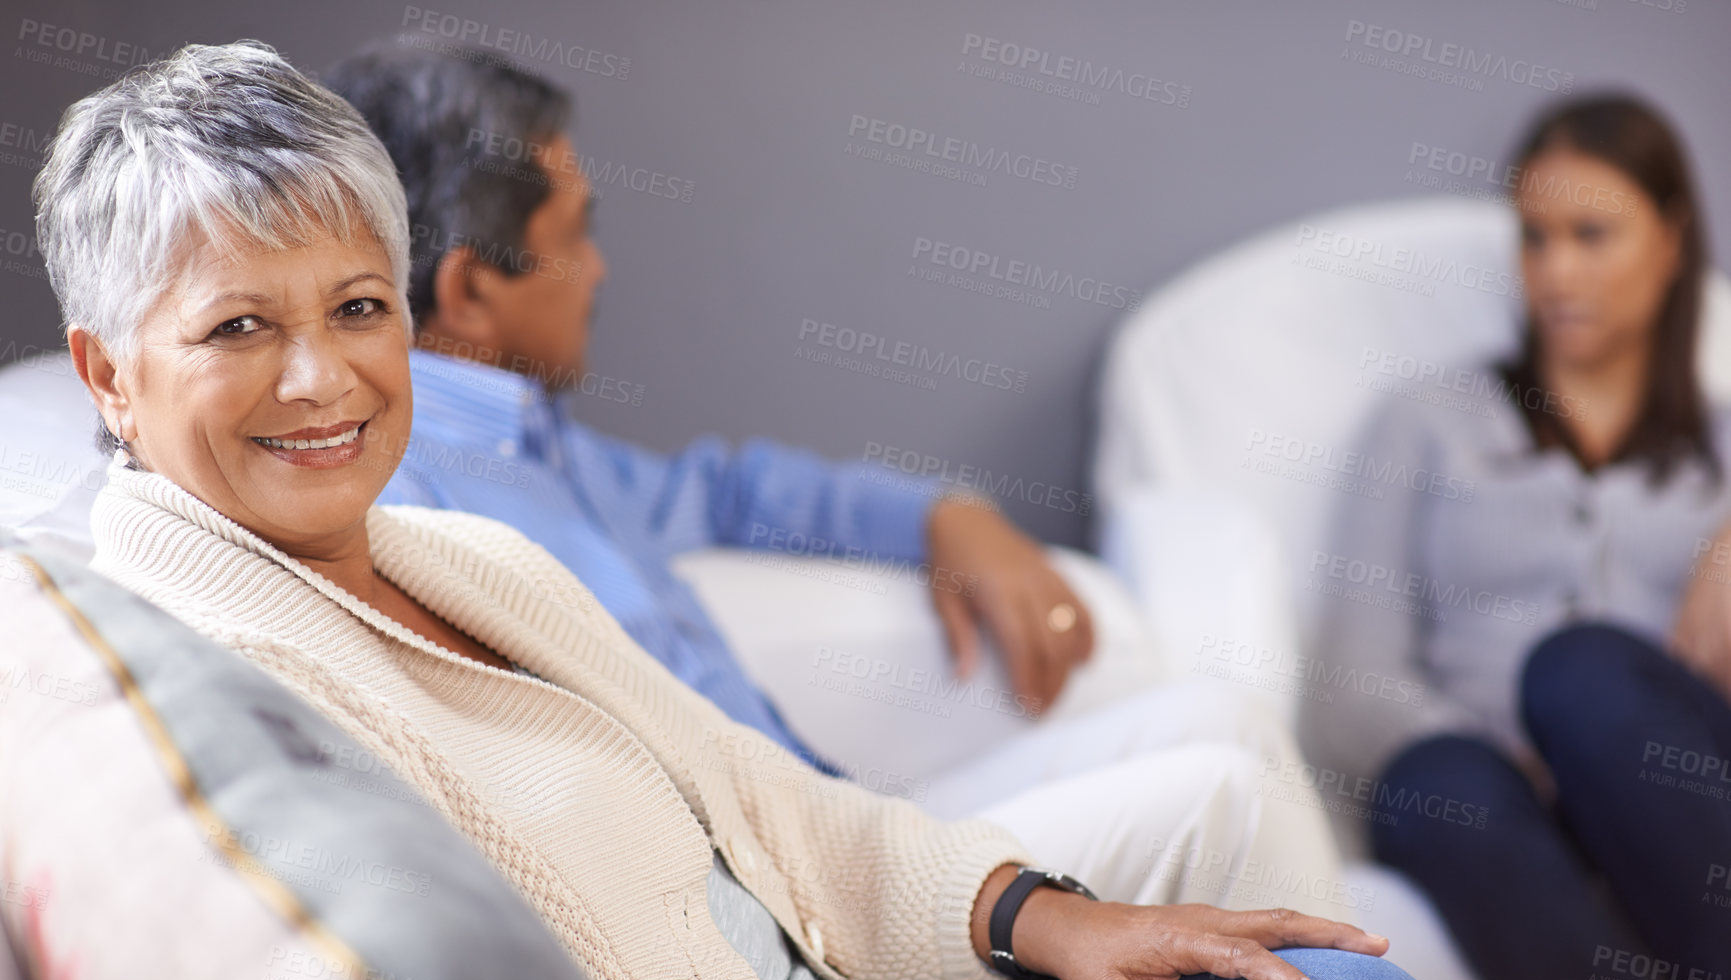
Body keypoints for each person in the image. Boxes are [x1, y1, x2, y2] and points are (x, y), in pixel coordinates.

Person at [37, 40, 1582, 980]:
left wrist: (1039, 913)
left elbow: (765, 798)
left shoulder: (470, 560)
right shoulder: (200, 682)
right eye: (239, 325)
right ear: (105, 368)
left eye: (355, 307)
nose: (325, 378)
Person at [320, 45, 1347, 915]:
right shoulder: (412, 510)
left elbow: (732, 491)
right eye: (576, 234)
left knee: (1229, 721)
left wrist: (948, 517)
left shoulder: (542, 448)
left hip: (837, 825)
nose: (600, 270)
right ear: (471, 290)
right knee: (1233, 801)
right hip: (792, 900)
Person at [1300, 95, 1731, 980]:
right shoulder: (1428, 420)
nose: (1556, 273)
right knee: (1443, 781)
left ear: (1673, 240)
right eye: (1536, 237)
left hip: (1670, 791)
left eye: (1593, 235)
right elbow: (1350, 684)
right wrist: (1517, 767)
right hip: (1482, 801)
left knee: (1585, 674)